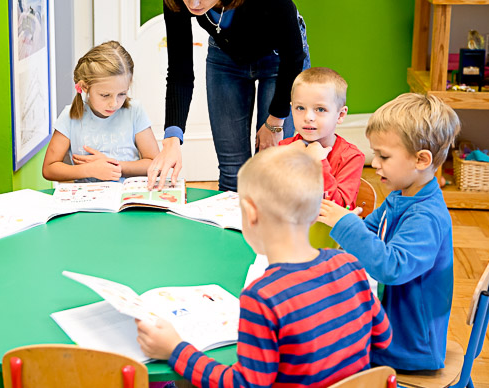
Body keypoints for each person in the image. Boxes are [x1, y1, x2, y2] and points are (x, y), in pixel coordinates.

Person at [136, 144, 392, 388]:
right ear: (317, 211)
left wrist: (175, 350)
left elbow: (244, 384)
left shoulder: (262, 298)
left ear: (250, 212)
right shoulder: (351, 266)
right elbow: (383, 338)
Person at [147, 0, 309, 192]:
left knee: (272, 167)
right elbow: (180, 70)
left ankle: (268, 233)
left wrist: (275, 121)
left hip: (280, 60)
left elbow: (294, 56)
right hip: (226, 57)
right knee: (233, 170)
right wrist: (171, 140)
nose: (193, 3)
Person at [318, 93, 460, 371]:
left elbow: (392, 267)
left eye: (384, 156)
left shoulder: (426, 215)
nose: (375, 163)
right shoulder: (402, 193)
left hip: (408, 346)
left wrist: (345, 224)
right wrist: (342, 226)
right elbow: (369, 231)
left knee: (314, 350)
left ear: (421, 160)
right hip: (391, 325)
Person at [42, 41, 159, 182]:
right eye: (105, 95)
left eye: (122, 94)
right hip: (86, 200)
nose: (114, 103)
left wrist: (115, 166)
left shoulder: (135, 112)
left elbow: (155, 164)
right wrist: (89, 170)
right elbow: (49, 169)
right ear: (85, 87)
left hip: (127, 198)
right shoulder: (70, 117)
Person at [279, 67, 365, 208]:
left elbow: (340, 209)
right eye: (300, 108)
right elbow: (267, 198)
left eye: (320, 109)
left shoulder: (352, 158)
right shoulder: (284, 147)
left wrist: (318, 163)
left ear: (340, 115)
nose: (308, 117)